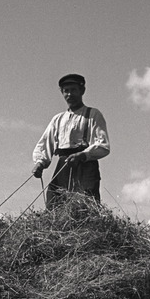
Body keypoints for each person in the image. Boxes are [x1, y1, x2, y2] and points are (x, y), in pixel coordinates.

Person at [31, 73, 110, 209]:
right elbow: (45, 143)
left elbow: (103, 145)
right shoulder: (58, 119)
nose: (69, 94)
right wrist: (40, 163)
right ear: (62, 93)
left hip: (85, 165)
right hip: (64, 164)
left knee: (86, 204)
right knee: (55, 203)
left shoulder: (93, 114)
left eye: (73, 90)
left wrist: (83, 155)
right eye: (66, 91)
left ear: (82, 91)